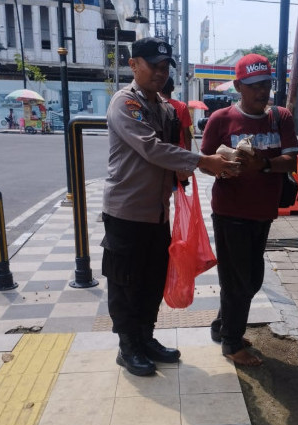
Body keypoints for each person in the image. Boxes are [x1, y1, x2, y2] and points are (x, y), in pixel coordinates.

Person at [102, 37, 240, 377]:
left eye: (166, 68)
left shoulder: (164, 109)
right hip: (126, 212)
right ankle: (127, 346)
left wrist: (215, 159)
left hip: (157, 213)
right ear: (134, 65)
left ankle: (146, 338)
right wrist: (203, 162)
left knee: (152, 280)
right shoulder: (126, 104)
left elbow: (174, 155)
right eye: (154, 66)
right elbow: (152, 149)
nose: (161, 73)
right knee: (126, 281)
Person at [201, 53, 298, 366]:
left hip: (263, 212)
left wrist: (265, 164)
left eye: (266, 84)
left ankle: (223, 326)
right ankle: (231, 343)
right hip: (230, 211)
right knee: (239, 280)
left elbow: (292, 160)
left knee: (249, 278)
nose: (262, 91)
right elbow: (204, 161)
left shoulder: (280, 117)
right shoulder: (221, 119)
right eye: (254, 85)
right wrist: (222, 167)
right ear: (238, 86)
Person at [160, 77, 192, 150]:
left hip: (160, 150)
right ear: (172, 89)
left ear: (159, 88)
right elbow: (186, 133)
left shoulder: (155, 105)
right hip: (178, 151)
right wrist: (188, 153)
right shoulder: (182, 106)